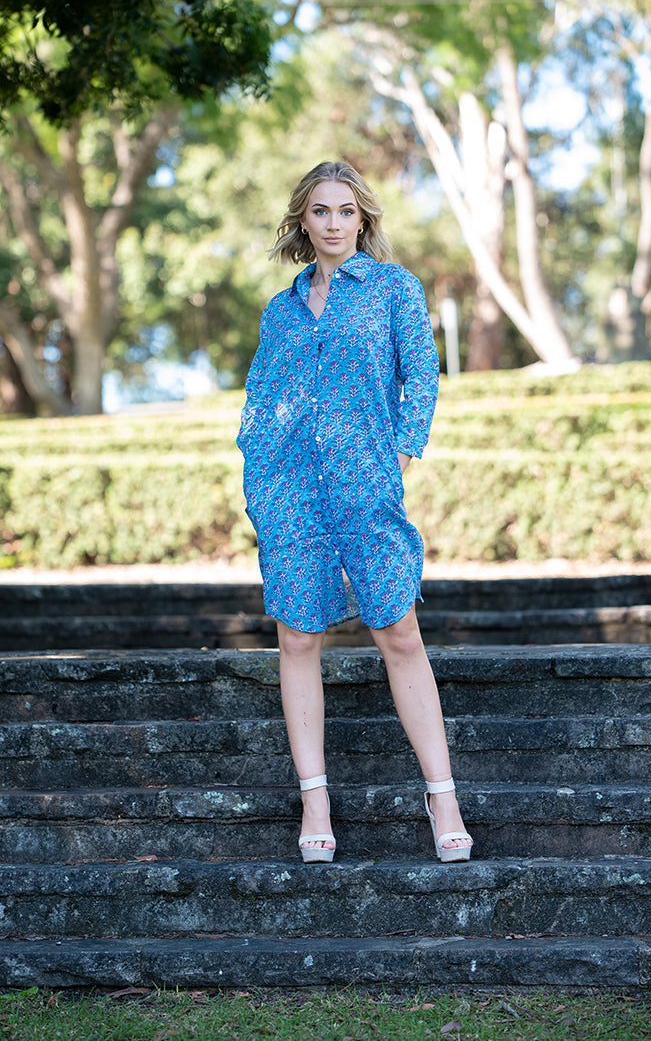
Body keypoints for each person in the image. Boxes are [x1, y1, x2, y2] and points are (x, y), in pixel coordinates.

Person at [237, 161, 472, 864]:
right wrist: (259, 472)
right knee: (298, 638)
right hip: (289, 491)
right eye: (320, 212)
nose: (334, 223)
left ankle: (443, 798)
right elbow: (260, 396)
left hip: (366, 483)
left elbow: (420, 377)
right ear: (302, 222)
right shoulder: (281, 309)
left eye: (346, 211)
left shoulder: (394, 289)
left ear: (362, 219)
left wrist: (396, 462)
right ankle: (316, 802)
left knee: (398, 629)